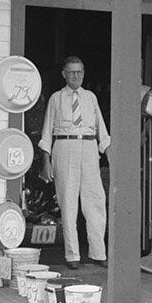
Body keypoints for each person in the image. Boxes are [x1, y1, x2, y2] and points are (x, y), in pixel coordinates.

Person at [38, 55, 110, 270]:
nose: (76, 76)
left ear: (83, 73)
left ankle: (98, 253)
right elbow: (46, 133)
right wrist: (46, 162)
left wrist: (110, 154)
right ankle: (73, 255)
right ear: (64, 74)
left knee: (95, 200)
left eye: (79, 72)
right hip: (64, 147)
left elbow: (103, 132)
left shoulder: (90, 98)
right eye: (71, 72)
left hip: (88, 148)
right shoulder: (56, 98)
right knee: (68, 202)